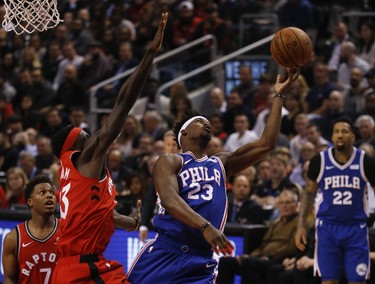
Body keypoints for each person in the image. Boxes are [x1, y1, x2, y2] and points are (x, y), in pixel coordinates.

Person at [127, 68, 299, 283]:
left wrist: (279, 96)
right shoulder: (170, 161)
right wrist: (206, 227)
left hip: (201, 259)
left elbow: (267, 144)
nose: (207, 123)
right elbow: (170, 201)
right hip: (165, 252)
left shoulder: (221, 162)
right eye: (200, 121)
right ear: (185, 134)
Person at [50, 13, 168, 284]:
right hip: (85, 269)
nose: (92, 136)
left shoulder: (73, 174)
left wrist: (130, 221)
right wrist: (149, 55)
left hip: (72, 268)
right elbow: (123, 103)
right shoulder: (85, 157)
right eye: (86, 135)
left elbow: (97, 213)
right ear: (76, 146)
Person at [295, 117, 375, 284]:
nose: (340, 135)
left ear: (353, 136)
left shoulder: (365, 161)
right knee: (329, 281)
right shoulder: (319, 161)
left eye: (344, 132)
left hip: (356, 229)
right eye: (336, 132)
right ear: (331, 137)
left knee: (357, 281)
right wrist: (301, 226)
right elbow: (309, 195)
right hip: (327, 229)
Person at [2, 175, 59, 284]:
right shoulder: (13, 238)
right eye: (42, 193)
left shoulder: (67, 230)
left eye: (51, 192)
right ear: (30, 202)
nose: (49, 195)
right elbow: (9, 279)